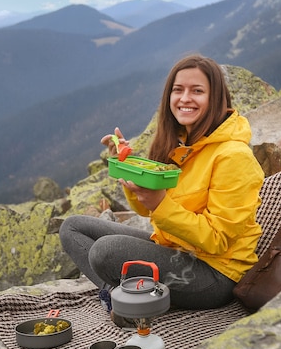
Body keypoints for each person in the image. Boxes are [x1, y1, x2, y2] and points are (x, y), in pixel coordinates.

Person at [59, 53, 264, 312]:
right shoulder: (181, 143)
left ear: (216, 99)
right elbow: (145, 209)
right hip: (174, 248)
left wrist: (162, 204)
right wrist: (128, 166)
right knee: (72, 227)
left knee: (105, 252)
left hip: (215, 274)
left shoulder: (233, 156)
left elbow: (217, 239)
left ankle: (124, 300)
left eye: (197, 91)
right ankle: (117, 296)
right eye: (178, 90)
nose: (185, 98)